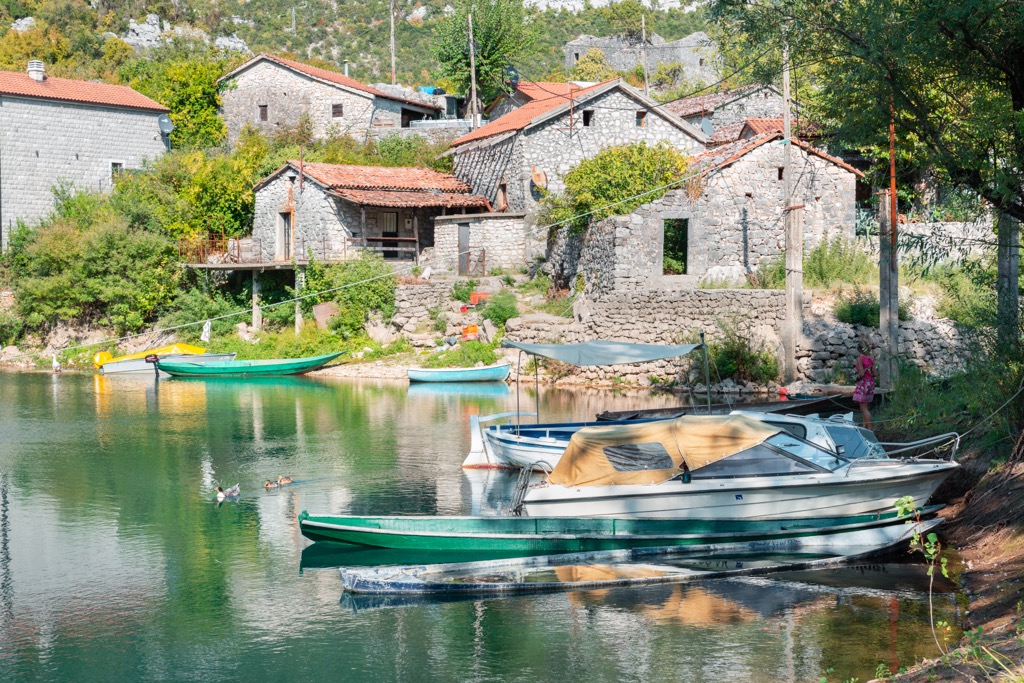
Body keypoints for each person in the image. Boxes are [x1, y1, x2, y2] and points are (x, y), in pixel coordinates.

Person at [853, 343, 876, 429]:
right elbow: (875, 374)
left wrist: (855, 378)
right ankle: (864, 426)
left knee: (863, 409)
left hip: (863, 384)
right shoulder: (870, 359)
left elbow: (861, 374)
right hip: (871, 383)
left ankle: (870, 429)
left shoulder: (859, 359)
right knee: (866, 407)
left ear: (859, 350)